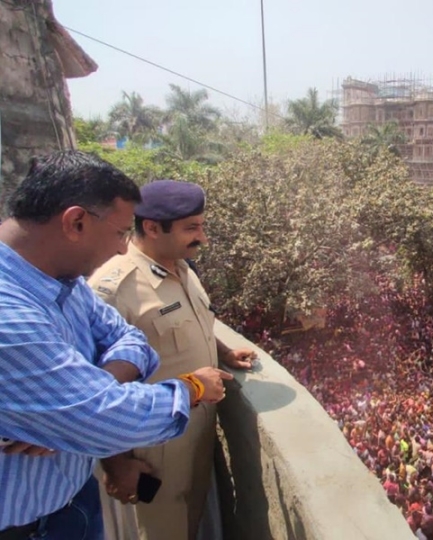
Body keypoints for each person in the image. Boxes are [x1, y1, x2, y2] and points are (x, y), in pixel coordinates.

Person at [0, 151, 232, 540]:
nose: (125, 248)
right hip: (24, 527)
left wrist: (76, 403)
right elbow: (104, 419)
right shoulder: (11, 314)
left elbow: (132, 339)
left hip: (70, 500)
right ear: (76, 222)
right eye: (121, 232)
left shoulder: (63, 282)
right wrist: (192, 387)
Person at [88, 180, 257, 540]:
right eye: (191, 228)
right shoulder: (115, 288)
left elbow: (189, 324)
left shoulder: (181, 268)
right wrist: (117, 465)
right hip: (151, 452)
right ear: (151, 227)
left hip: (194, 438)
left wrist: (224, 352)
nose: (203, 238)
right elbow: (95, 389)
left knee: (188, 523)